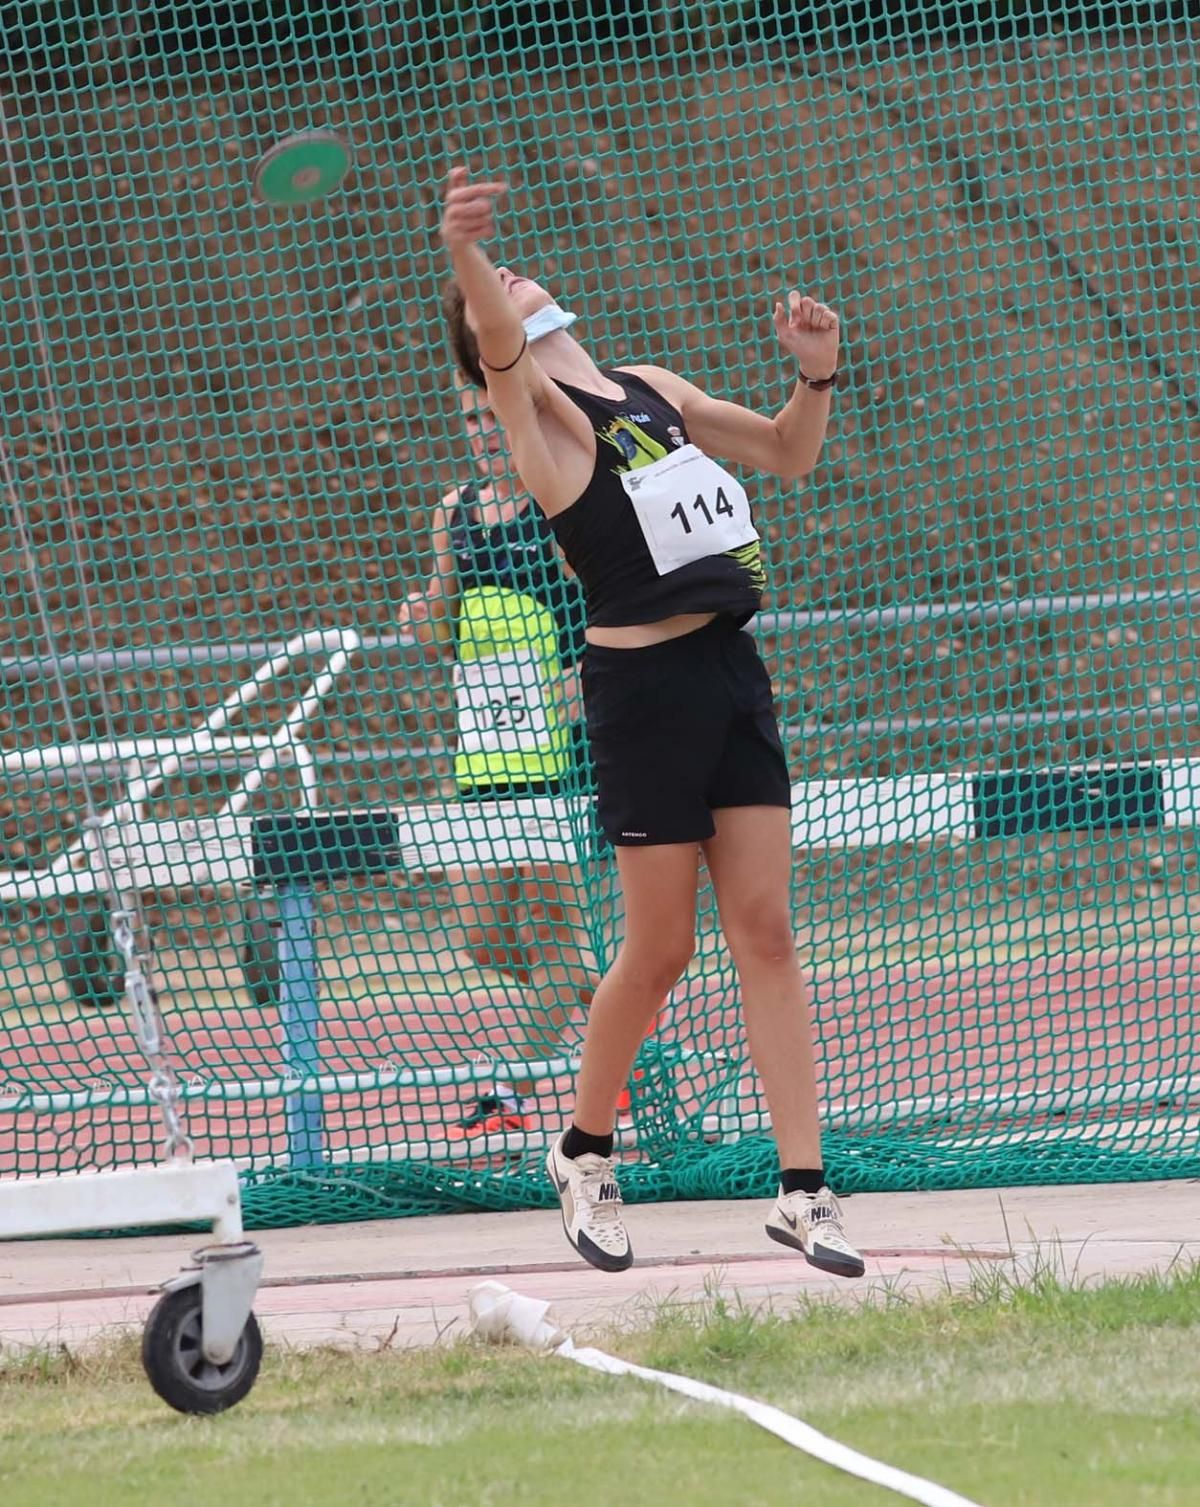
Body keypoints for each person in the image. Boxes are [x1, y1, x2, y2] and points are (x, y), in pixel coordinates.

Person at [437, 166, 865, 1278]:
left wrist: (816, 374)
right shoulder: (541, 421)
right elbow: (492, 329)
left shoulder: (650, 387)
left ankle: (805, 1191)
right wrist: (467, 252)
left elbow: (786, 450)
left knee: (766, 931)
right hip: (641, 697)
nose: (524, 278)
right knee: (662, 946)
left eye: (522, 269)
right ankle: (583, 1152)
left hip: (733, 675)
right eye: (504, 286)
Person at [398, 373, 598, 1139]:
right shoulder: (455, 513)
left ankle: (508, 1089)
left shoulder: (555, 502)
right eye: (470, 418)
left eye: (492, 414)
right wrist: (421, 617)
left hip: (553, 761)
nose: (482, 429)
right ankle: (624, 1025)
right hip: (481, 758)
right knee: (482, 934)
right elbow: (442, 631)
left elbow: (602, 604)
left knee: (553, 936)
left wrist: (586, 677)